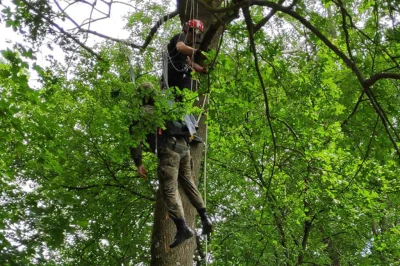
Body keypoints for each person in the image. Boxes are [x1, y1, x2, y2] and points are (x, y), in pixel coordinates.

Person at [129, 82, 212, 249]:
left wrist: (138, 163)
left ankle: (182, 228)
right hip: (184, 148)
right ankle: (205, 217)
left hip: (168, 151)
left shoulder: (143, 112)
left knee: (169, 189)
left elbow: (135, 138)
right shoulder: (170, 106)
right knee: (188, 183)